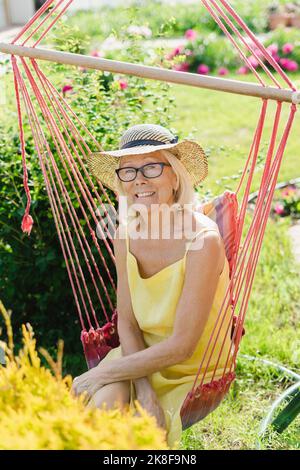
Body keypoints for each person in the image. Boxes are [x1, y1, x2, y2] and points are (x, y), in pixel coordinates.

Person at [72, 124, 234, 447]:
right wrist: (144, 391)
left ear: (174, 176)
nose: (139, 180)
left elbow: (182, 346)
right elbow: (129, 324)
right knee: (101, 412)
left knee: (135, 435)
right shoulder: (125, 235)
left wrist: (103, 373)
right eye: (128, 172)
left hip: (191, 368)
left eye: (151, 167)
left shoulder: (202, 241)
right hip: (139, 353)